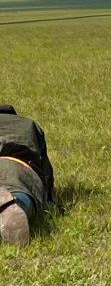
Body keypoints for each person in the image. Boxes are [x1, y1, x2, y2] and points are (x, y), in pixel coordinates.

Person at [0, 105, 55, 249]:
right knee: (20, 192)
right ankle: (15, 203)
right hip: (17, 166)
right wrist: (48, 199)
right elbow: (45, 168)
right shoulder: (29, 124)